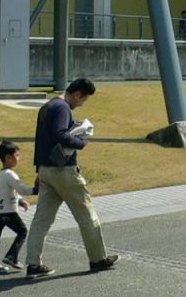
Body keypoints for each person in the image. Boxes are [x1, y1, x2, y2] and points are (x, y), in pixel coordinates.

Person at [24, 78, 118, 278]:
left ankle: (33, 264)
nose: (81, 104)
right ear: (77, 94)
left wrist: (38, 171)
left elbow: (41, 140)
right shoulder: (62, 108)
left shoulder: (48, 106)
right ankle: (98, 259)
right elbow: (60, 134)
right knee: (86, 215)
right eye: (82, 100)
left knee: (41, 220)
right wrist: (80, 142)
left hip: (45, 170)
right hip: (64, 171)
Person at [0, 140, 38, 275]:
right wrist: (36, 190)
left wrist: (20, 201)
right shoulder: (10, 174)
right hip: (8, 212)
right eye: (17, 155)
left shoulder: (1, 175)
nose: (19, 158)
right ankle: (11, 256)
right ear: (8, 157)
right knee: (23, 231)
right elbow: (21, 188)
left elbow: (8, 192)